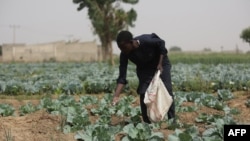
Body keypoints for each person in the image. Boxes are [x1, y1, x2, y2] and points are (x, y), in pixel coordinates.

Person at [112, 30, 175, 124]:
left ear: (131, 42)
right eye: (120, 49)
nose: (123, 51)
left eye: (124, 47)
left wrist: (160, 63)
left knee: (167, 89)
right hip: (144, 68)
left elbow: (161, 43)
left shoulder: (146, 40)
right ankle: (147, 122)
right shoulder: (124, 54)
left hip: (161, 63)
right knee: (143, 91)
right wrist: (116, 96)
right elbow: (122, 77)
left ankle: (172, 120)